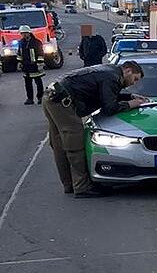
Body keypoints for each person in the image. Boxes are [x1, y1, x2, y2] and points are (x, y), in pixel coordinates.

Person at [43, 60, 148, 197]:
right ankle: (82, 187)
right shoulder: (113, 78)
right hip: (64, 103)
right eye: (135, 79)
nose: (133, 83)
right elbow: (109, 107)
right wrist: (130, 104)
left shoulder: (108, 71)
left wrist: (129, 96)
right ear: (128, 70)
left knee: (59, 144)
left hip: (52, 97)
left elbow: (103, 94)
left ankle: (69, 184)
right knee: (75, 143)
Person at [16, 26, 46, 105]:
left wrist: (40, 64)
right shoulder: (21, 42)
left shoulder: (36, 42)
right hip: (26, 66)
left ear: (29, 33)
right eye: (22, 33)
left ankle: (40, 97)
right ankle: (30, 98)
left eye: (25, 33)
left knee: (38, 82)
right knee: (28, 84)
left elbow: (40, 53)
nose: (24, 35)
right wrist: (19, 62)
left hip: (35, 66)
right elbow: (19, 53)